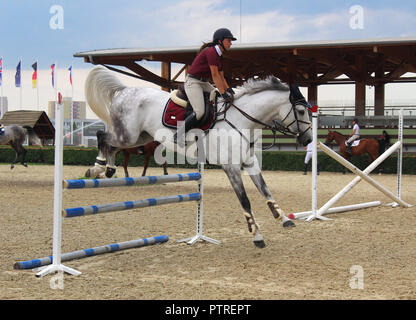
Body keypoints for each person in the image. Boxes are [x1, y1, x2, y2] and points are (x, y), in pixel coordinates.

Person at [173, 28, 237, 144]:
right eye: (229, 40)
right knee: (199, 112)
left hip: (203, 83)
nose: (231, 43)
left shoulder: (219, 55)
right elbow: (215, 75)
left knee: (218, 97)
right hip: (193, 82)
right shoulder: (211, 52)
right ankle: (179, 135)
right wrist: (223, 92)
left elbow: (222, 76)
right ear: (220, 41)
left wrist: (228, 90)